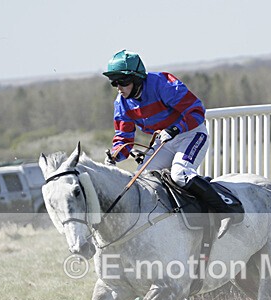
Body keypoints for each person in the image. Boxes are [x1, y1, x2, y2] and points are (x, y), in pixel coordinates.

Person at [102, 49, 239, 238]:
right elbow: (124, 139)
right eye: (114, 82)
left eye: (123, 81)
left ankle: (226, 211)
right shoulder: (122, 103)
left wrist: (174, 129)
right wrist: (116, 153)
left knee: (180, 174)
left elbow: (197, 112)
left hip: (191, 134)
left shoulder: (163, 83)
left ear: (137, 78)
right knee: (142, 181)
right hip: (163, 142)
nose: (119, 87)